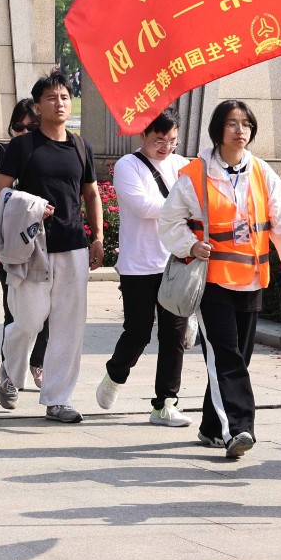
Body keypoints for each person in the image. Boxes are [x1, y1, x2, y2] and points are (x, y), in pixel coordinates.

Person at [160, 99, 281, 457]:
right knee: (226, 356)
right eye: (231, 123)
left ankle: (212, 427)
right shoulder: (195, 175)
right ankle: (238, 429)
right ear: (217, 130)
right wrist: (191, 245)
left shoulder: (262, 171)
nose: (240, 130)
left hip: (252, 277)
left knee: (239, 357)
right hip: (212, 280)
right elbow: (169, 222)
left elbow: (279, 218)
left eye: (245, 124)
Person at [0, 70, 103, 423]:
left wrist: (98, 236)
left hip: (73, 245)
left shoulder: (81, 146)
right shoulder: (23, 146)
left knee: (69, 326)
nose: (60, 103)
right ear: (37, 106)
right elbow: (0, 193)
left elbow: (91, 193)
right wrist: (33, 206)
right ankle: (11, 370)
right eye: (52, 98)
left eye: (65, 97)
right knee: (28, 321)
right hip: (32, 246)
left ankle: (58, 398)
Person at [96, 107, 191, 425]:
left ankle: (165, 403)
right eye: (159, 140)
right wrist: (183, 206)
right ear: (143, 136)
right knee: (138, 332)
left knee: (173, 335)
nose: (166, 147)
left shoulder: (183, 166)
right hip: (139, 264)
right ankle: (114, 374)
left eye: (172, 140)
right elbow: (143, 206)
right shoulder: (127, 166)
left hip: (175, 262)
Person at [0, 97, 48, 384]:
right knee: (15, 311)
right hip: (16, 247)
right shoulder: (9, 155)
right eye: (19, 126)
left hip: (48, 244)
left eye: (32, 126)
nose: (24, 131)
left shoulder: (53, 152)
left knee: (48, 313)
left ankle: (38, 362)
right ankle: (10, 368)